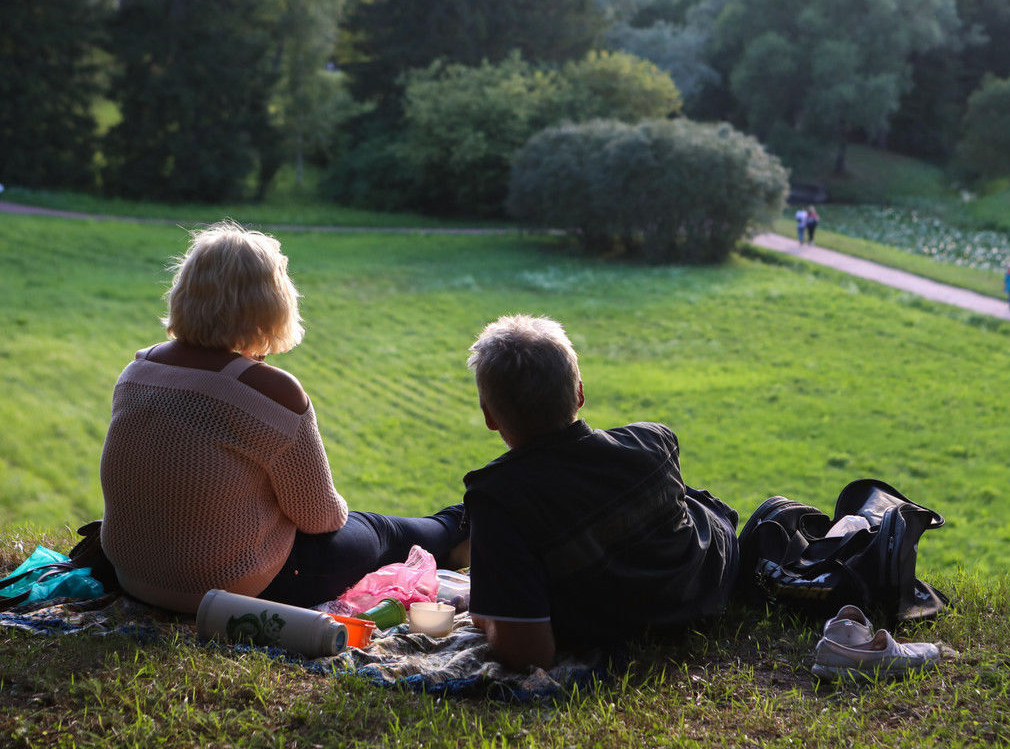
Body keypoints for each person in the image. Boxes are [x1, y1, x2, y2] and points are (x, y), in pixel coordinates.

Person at [99, 221, 468, 613]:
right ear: (271, 305)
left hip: (133, 576)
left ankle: (458, 532)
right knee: (377, 530)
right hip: (225, 589)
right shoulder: (270, 391)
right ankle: (466, 524)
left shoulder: (136, 371)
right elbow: (321, 518)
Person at [462, 315, 739, 670]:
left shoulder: (499, 499)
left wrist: (485, 614)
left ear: (490, 416)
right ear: (579, 393)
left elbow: (527, 651)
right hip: (707, 586)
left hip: (634, 619)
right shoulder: (653, 442)